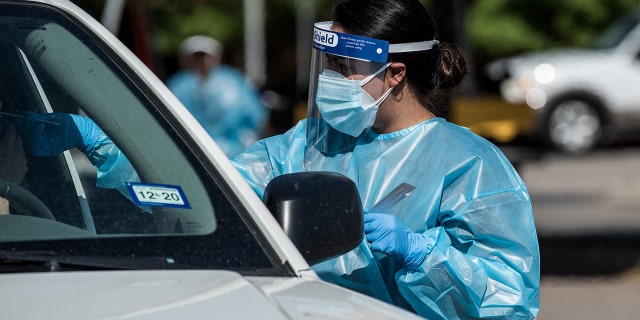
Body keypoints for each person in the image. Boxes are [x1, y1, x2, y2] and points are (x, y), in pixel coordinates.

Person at [15, 0, 540, 318]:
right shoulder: (306, 144)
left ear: (395, 74)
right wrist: (110, 141)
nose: (331, 79)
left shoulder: (472, 166)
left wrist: (425, 257)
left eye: (345, 66)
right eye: (328, 65)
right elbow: (210, 191)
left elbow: (507, 304)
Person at [166, 35, 268, 158]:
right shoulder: (178, 85)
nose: (202, 60)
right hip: (190, 153)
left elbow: (255, 116)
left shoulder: (233, 81)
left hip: (233, 154)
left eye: (204, 56)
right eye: (197, 56)